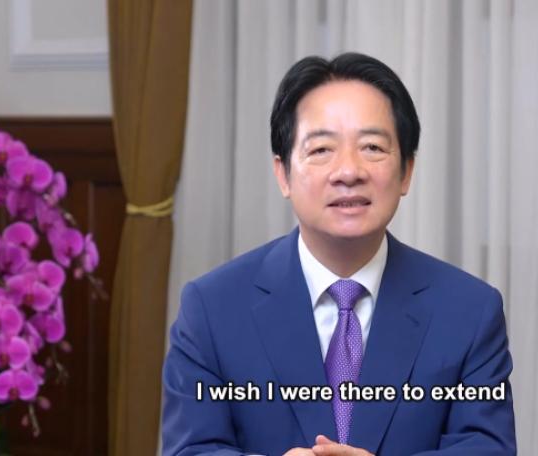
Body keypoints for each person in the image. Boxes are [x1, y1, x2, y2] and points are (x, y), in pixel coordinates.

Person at [162, 52, 515, 456]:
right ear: (283, 173)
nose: (349, 171)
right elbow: (190, 450)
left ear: (407, 171)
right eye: (321, 150)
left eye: (372, 147)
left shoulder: (469, 311)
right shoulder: (212, 309)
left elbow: (487, 448)